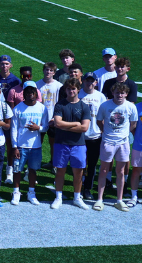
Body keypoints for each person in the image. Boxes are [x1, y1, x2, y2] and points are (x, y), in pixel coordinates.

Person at [91, 84, 135, 212]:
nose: (119, 95)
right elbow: (99, 121)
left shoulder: (130, 106)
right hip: (108, 142)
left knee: (120, 172)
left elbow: (133, 123)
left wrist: (123, 134)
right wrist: (105, 132)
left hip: (123, 143)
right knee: (104, 170)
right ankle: (99, 199)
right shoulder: (105, 105)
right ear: (112, 92)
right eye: (117, 92)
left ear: (126, 94)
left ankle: (119, 200)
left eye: (122, 93)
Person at [50, 79, 92, 210]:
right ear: (65, 90)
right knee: (60, 171)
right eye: (68, 89)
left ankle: (77, 197)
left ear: (78, 89)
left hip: (78, 144)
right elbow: (57, 123)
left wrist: (64, 126)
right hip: (61, 143)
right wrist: (75, 124)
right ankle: (58, 197)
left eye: (73, 88)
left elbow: (84, 128)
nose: (71, 91)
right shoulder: (60, 105)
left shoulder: (84, 106)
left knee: (78, 173)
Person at [10, 82, 48, 205]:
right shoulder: (17, 109)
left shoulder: (42, 108)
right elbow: (13, 129)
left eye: (32, 92)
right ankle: (16, 192)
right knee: (17, 170)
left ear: (36, 93)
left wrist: (38, 128)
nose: (30, 94)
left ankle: (31, 192)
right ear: (24, 94)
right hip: (20, 146)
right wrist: (14, 146)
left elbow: (46, 126)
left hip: (35, 146)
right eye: (27, 92)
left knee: (33, 170)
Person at [78, 73, 107, 199]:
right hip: (80, 135)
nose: (89, 83)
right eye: (87, 80)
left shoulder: (100, 96)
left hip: (95, 135)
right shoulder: (78, 94)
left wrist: (102, 130)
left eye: (92, 81)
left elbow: (105, 115)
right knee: (79, 163)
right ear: (83, 81)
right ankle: (78, 188)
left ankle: (87, 188)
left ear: (95, 82)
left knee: (92, 165)